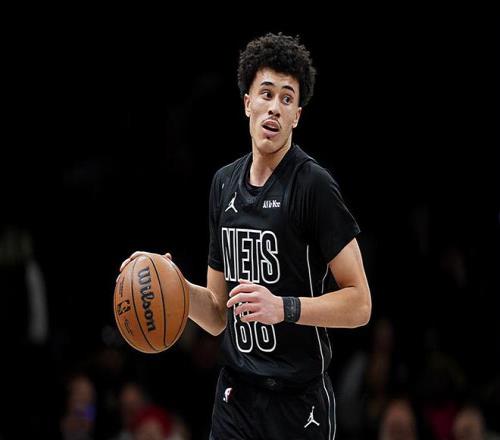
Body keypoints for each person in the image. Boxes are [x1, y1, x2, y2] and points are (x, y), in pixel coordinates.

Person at [120, 32, 371, 440]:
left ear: (296, 116)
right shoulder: (223, 184)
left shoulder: (314, 186)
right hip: (236, 396)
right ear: (247, 103)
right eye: (266, 94)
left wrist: (284, 308)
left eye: (287, 99)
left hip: (298, 401)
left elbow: (360, 303)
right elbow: (218, 314)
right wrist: (173, 285)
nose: (274, 107)